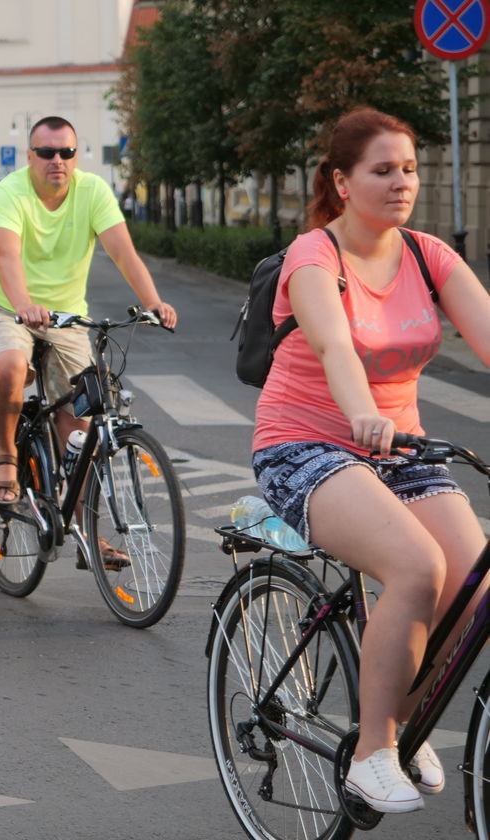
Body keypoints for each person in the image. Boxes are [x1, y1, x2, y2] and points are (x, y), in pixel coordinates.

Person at [251, 108, 490, 814]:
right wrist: (362, 413)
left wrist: (385, 428)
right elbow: (333, 347)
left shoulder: (427, 255)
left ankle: (398, 719)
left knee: (474, 592)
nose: (401, 182)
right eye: (383, 170)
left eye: (409, 169)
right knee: (417, 568)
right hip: (305, 444)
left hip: (400, 448)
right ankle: (370, 752)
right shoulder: (315, 256)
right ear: (342, 182)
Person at [0, 115, 176, 511]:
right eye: (47, 152)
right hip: (8, 308)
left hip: (68, 318)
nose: (57, 161)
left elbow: (122, 252)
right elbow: (6, 256)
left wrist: (153, 301)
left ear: (75, 156)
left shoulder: (93, 191)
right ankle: (6, 456)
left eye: (66, 152)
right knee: (11, 367)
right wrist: (23, 306)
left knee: (81, 414)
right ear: (30, 156)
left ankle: (84, 523)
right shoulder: (9, 193)